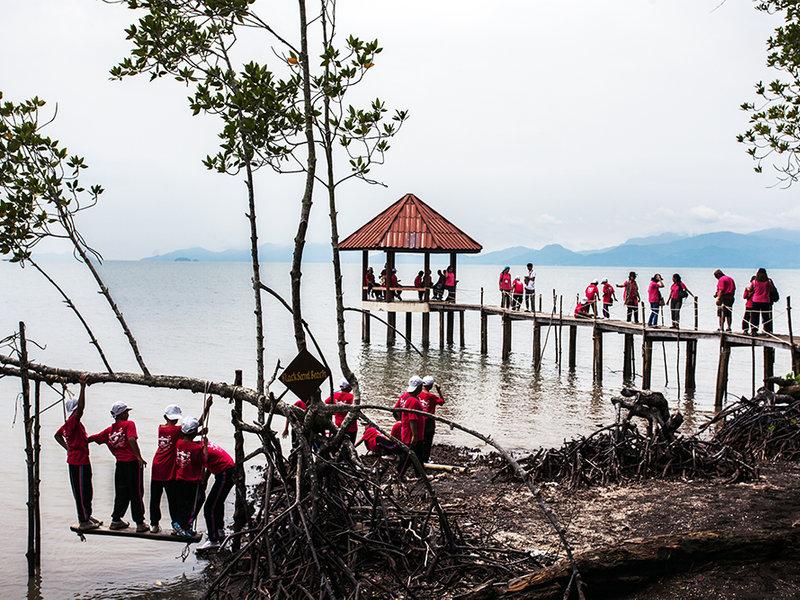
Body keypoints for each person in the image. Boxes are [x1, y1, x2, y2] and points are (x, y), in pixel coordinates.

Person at [89, 401, 148, 532]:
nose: (128, 414)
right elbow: (132, 439)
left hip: (120, 465)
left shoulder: (109, 431)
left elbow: (93, 438)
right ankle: (140, 523)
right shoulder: (129, 424)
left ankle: (116, 520)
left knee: (121, 493)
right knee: (136, 493)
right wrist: (139, 457)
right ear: (122, 414)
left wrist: (75, 443)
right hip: (132, 464)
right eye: (126, 411)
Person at [54, 374, 100, 531]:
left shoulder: (71, 423)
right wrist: (82, 387)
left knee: (87, 490)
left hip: (83, 460)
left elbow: (57, 435)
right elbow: (80, 409)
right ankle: (83, 520)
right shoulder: (73, 420)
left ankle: (87, 515)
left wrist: (68, 447)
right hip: (77, 462)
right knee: (80, 492)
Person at [149, 404, 183, 533]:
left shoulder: (161, 428)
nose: (175, 421)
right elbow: (194, 428)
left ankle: (154, 524)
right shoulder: (176, 431)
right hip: (168, 470)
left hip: (157, 465)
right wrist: (207, 408)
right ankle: (176, 525)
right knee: (173, 500)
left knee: (155, 498)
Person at [198, 441, 236, 550]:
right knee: (218, 503)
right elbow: (209, 463)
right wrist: (205, 480)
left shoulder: (200, 451)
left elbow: (203, 464)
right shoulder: (204, 444)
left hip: (225, 473)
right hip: (227, 471)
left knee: (209, 507)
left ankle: (213, 540)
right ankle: (219, 530)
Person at [173, 416, 205, 537]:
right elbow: (204, 460)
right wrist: (205, 445)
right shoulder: (197, 448)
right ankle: (186, 527)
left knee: (183, 504)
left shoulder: (179, 442)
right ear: (195, 433)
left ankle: (181, 525)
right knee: (197, 501)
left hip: (179, 479)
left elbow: (189, 440)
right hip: (192, 481)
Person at [394, 376, 426, 475]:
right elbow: (412, 420)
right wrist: (415, 436)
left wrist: (402, 421)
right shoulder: (413, 401)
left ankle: (419, 474)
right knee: (407, 456)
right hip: (412, 434)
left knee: (417, 455)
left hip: (408, 431)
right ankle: (399, 474)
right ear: (419, 387)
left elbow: (396, 412)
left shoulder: (407, 397)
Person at [418, 375, 444, 464]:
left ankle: (418, 456)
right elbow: (442, 402)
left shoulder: (417, 394)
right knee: (428, 441)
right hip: (429, 421)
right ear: (431, 386)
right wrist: (439, 390)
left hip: (419, 419)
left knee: (419, 439)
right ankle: (426, 458)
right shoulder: (432, 396)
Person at [325, 378, 357, 443]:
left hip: (337, 425)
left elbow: (326, 403)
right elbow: (355, 409)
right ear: (348, 387)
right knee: (350, 446)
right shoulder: (351, 397)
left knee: (338, 445)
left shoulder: (335, 395)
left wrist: (334, 410)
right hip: (350, 427)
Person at [750, 267, 779, 335]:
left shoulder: (754, 282)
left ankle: (754, 331)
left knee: (755, 316)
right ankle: (767, 331)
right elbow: (771, 290)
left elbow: (751, 289)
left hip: (756, 301)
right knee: (766, 317)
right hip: (765, 301)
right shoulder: (768, 282)